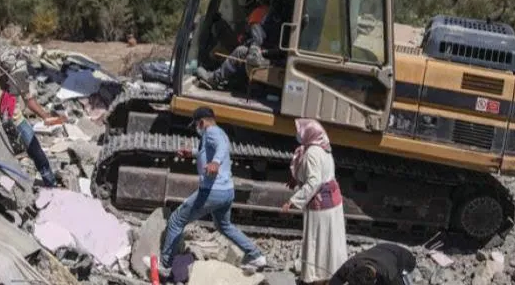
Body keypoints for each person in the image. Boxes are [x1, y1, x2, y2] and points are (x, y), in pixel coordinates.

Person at [154, 107, 268, 277]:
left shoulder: (211, 131)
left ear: (201, 122)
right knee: (224, 225)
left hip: (212, 191)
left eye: (196, 126)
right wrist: (192, 153)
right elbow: (213, 150)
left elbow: (220, 149)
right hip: (227, 191)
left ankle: (165, 265)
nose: (196, 129)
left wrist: (215, 162)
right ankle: (256, 256)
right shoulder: (220, 132)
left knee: (176, 220)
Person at [0, 62, 64, 187]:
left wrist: (45, 116)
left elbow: (29, 100)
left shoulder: (16, 79)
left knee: (37, 153)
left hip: (18, 122)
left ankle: (51, 183)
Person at [282, 118, 348, 285]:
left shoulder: (312, 153)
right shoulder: (324, 148)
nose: (298, 134)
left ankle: (316, 277)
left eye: (300, 131)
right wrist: (297, 180)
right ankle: (329, 274)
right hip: (332, 204)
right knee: (330, 242)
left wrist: (292, 201)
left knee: (316, 241)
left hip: (321, 207)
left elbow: (314, 182)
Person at [197, 0, 271, 87]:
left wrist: (253, 48)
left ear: (246, 7)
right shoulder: (265, 10)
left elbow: (257, 39)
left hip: (262, 53)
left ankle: (214, 79)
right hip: (267, 49)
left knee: (239, 51)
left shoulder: (256, 14)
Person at [328, 243, 416, 285]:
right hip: (381, 248)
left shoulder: (390, 275)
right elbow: (335, 281)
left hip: (405, 258)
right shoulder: (350, 266)